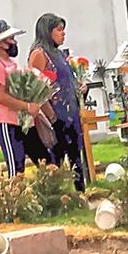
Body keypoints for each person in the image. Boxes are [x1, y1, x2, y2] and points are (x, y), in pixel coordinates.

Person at [27, 13, 86, 190]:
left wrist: (80, 87)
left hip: (69, 111)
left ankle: (80, 192)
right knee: (56, 158)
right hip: (55, 113)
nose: (63, 33)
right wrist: (51, 116)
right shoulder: (39, 54)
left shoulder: (59, 53)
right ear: (47, 32)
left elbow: (65, 80)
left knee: (76, 155)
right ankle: (56, 195)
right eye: (59, 30)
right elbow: (36, 88)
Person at [0, 20, 44, 177]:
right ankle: (15, 198)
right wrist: (26, 106)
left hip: (21, 119)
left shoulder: (10, 62)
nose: (14, 41)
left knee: (43, 158)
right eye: (11, 37)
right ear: (1, 43)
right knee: (16, 164)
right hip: (5, 120)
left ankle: (49, 191)